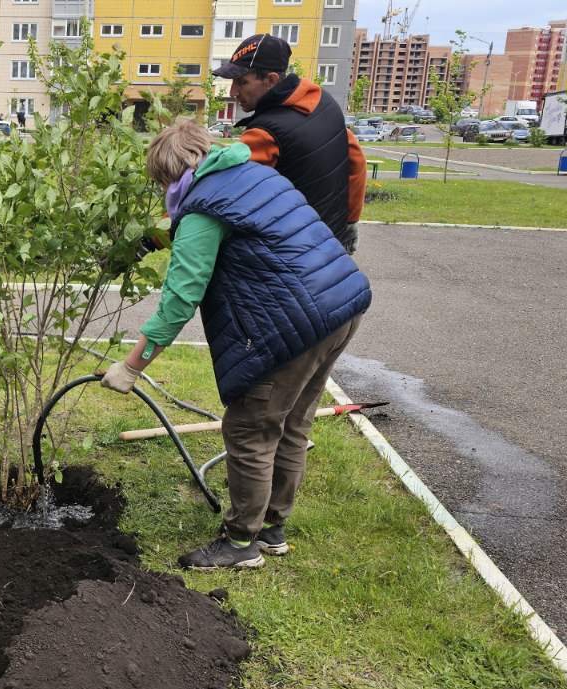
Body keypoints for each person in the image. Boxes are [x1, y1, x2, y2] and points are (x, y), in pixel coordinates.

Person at [101, 119, 371, 571]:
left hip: (297, 323)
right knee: (292, 422)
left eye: (163, 183)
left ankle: (241, 542)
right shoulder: (252, 175)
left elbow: (179, 300)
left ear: (172, 175)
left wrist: (131, 366)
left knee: (250, 429)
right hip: (341, 303)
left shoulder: (202, 210)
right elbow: (230, 224)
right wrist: (151, 240)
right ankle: (271, 530)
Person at [215, 34, 366, 254]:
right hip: (331, 243)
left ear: (271, 80)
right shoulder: (325, 103)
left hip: (289, 255)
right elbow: (356, 160)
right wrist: (350, 221)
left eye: (242, 82)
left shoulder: (264, 134)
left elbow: (222, 192)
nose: (233, 92)